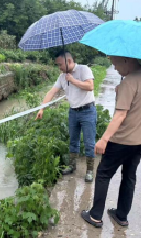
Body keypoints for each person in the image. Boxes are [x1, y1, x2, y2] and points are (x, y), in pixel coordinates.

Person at [81, 56, 141, 228]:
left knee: (103, 174)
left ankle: (95, 216)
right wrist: (121, 91)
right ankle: (121, 216)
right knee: (129, 176)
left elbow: (120, 116)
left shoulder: (128, 82)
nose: (115, 68)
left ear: (126, 60)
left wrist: (103, 139)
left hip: (122, 139)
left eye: (115, 64)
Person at [36, 51, 97, 182]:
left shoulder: (83, 69)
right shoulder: (62, 77)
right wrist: (41, 108)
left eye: (60, 65)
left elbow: (90, 86)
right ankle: (72, 166)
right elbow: (52, 91)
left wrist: (73, 80)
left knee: (89, 142)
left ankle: (89, 170)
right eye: (58, 65)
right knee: (73, 141)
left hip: (88, 111)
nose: (59, 68)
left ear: (69, 62)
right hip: (73, 112)